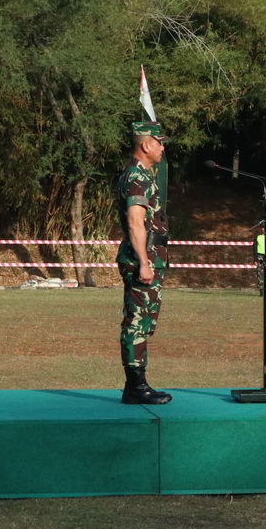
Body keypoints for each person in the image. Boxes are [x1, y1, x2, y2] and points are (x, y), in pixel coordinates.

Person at [116, 121, 172, 405]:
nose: (163, 147)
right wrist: (143, 262)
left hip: (149, 257)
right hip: (142, 258)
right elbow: (135, 222)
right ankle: (135, 387)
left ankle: (138, 384)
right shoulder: (136, 177)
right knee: (137, 322)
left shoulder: (143, 175)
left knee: (144, 321)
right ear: (146, 144)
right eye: (160, 142)